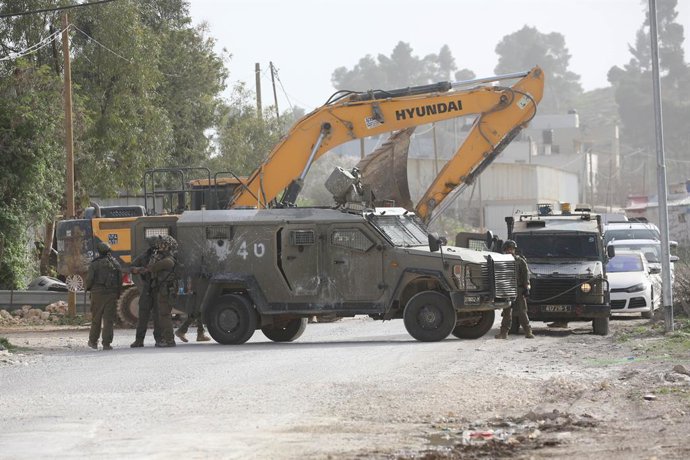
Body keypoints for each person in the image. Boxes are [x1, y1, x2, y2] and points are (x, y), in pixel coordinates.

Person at [85, 242, 122, 350]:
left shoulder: (94, 264)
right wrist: (117, 293)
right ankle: (106, 343)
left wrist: (88, 288)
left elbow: (89, 279)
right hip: (111, 293)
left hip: (97, 294)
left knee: (96, 318)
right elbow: (119, 281)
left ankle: (93, 341)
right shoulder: (115, 263)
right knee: (108, 320)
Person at [495, 240, 534, 339]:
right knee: (507, 313)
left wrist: (527, 288)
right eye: (507, 249)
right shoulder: (502, 261)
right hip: (507, 290)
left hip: (519, 289)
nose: (509, 251)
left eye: (511, 249)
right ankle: (504, 333)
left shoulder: (520, 261)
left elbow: (526, 276)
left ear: (514, 249)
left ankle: (528, 332)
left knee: (522, 312)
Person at [129, 237, 162, 348]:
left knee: (158, 315)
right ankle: (139, 340)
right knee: (143, 314)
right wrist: (140, 270)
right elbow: (132, 267)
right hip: (148, 288)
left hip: (158, 288)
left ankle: (159, 339)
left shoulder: (163, 255)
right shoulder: (145, 255)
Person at [147, 235, 179, 347]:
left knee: (164, 315)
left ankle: (169, 340)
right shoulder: (169, 259)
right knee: (164, 314)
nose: (159, 247)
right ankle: (167, 338)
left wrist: (154, 257)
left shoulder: (167, 261)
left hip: (165, 291)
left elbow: (151, 268)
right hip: (165, 290)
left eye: (162, 245)